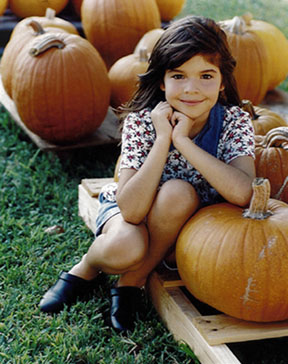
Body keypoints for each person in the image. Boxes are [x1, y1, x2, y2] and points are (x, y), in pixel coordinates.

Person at [39, 15, 256, 332]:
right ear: (162, 81)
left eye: (206, 76)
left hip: (189, 226)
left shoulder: (234, 121)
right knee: (124, 247)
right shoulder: (142, 122)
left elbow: (244, 193)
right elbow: (131, 209)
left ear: (223, 80)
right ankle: (84, 269)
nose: (192, 89)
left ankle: (132, 280)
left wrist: (183, 142)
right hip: (131, 216)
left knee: (179, 193)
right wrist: (164, 138)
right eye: (179, 76)